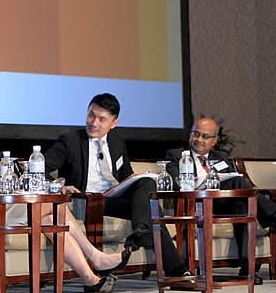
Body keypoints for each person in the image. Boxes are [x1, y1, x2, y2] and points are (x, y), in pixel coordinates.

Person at [0, 102, 130, 293]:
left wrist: (54, 187)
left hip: (15, 210)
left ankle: (90, 278)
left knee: (53, 215)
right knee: (52, 208)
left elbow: (23, 183)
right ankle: (95, 258)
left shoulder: (3, 158)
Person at [43, 93, 191, 279]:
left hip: (112, 198)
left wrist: (132, 182)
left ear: (114, 123)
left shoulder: (117, 142)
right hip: (86, 200)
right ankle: (176, 269)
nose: (94, 123)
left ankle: (142, 230)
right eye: (91, 115)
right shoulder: (70, 140)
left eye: (102, 119)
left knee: (146, 185)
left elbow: (126, 176)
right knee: (151, 211)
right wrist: (60, 187)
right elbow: (40, 169)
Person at [166, 117, 276, 285]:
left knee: (242, 205)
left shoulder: (220, 157)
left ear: (214, 141)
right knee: (239, 184)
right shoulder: (176, 155)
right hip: (196, 204)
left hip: (221, 203)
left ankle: (247, 269)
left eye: (205, 136)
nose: (198, 139)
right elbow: (175, 181)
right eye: (196, 134)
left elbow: (230, 178)